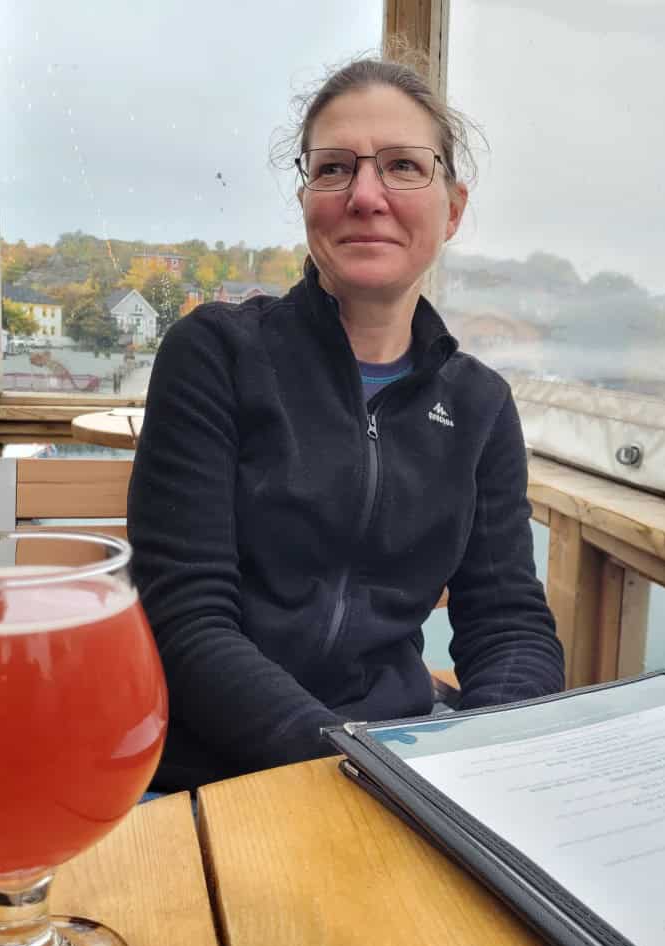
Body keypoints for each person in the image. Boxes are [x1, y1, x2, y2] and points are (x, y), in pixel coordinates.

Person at [127, 56, 564, 792]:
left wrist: (484, 764)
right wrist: (360, 769)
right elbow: (187, 619)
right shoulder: (216, 355)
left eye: (403, 166)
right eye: (334, 168)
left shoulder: (480, 405)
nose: (365, 196)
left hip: (399, 754)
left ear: (453, 209)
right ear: (306, 199)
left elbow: (509, 623)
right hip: (211, 774)